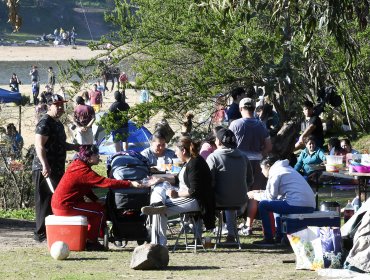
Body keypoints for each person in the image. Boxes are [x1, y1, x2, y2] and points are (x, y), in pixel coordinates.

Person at [51, 145, 144, 251]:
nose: (99, 157)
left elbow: (85, 187)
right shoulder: (83, 171)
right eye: (96, 155)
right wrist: (130, 184)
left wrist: (95, 199)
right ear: (89, 157)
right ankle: (91, 242)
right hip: (65, 206)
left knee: (97, 208)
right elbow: (105, 182)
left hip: (62, 204)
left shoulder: (77, 165)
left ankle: (91, 236)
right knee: (99, 212)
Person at [141, 136, 215, 245]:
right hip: (188, 197)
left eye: (176, 150)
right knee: (160, 186)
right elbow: (177, 179)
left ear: (183, 151)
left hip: (195, 200)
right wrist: (160, 179)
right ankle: (157, 204)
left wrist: (176, 194)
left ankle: (159, 244)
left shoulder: (195, 164)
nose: (175, 153)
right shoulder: (190, 162)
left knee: (161, 211)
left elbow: (194, 190)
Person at [32, 94, 79, 242]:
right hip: (44, 168)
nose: (60, 108)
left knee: (56, 199)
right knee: (44, 199)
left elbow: (60, 144)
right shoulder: (45, 122)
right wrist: (45, 165)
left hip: (58, 168)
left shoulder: (58, 124)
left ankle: (52, 231)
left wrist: (77, 147)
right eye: (56, 105)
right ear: (49, 106)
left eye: (61, 105)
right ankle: (40, 234)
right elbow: (39, 145)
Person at [248, 156, 315, 245]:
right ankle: (279, 236)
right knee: (276, 203)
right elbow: (276, 195)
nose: (261, 171)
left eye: (262, 168)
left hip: (297, 205)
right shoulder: (285, 169)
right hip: (309, 205)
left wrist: (254, 195)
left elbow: (270, 197)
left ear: (268, 166)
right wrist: (260, 192)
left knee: (263, 205)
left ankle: (268, 238)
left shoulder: (275, 172)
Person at [229, 97, 272, 236]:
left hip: (240, 162)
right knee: (255, 194)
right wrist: (261, 154)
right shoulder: (261, 125)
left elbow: (228, 145)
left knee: (237, 192)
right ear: (254, 109)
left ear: (241, 109)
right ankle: (249, 225)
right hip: (258, 163)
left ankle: (232, 226)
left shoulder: (235, 124)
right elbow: (268, 146)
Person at [206, 128, 253, 242]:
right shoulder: (243, 156)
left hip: (220, 200)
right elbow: (250, 180)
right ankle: (231, 233)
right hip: (242, 200)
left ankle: (199, 232)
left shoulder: (214, 157)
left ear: (219, 141)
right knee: (229, 197)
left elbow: (208, 181)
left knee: (213, 194)